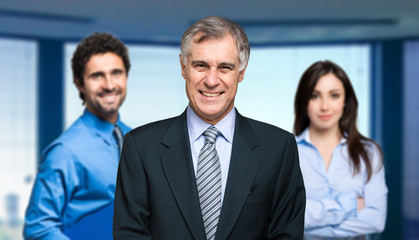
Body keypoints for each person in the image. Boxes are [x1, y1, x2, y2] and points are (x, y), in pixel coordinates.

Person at [113, 16, 305, 240]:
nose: (211, 80)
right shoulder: (140, 147)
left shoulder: (279, 148)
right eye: (200, 65)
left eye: (225, 67)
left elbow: (286, 235)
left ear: (241, 72)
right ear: (184, 67)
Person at [23, 32, 132, 240]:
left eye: (116, 73)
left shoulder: (138, 140)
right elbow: (38, 229)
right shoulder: (66, 152)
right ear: (80, 83)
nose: (109, 85)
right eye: (97, 76)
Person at [293, 60, 388, 239]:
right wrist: (350, 205)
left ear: (346, 101)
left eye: (334, 95)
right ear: (304, 101)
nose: (325, 106)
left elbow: (376, 219)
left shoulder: (368, 153)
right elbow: (289, 217)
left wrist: (312, 228)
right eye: (315, 95)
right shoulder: (287, 153)